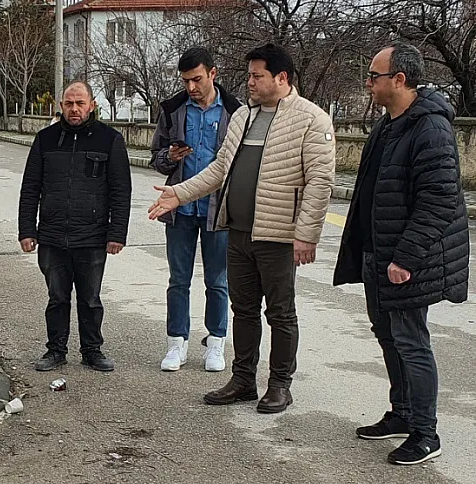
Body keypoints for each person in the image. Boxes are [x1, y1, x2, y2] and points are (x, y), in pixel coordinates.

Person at [148, 43, 335, 414]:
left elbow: (320, 182)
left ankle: (280, 384)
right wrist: (178, 195)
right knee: (244, 310)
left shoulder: (311, 120)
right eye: (249, 74)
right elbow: (219, 170)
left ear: (281, 78)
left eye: (256, 75)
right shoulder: (244, 117)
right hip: (237, 232)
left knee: (280, 313)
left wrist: (306, 234)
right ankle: (243, 379)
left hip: (278, 236)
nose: (249, 81)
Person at [333, 43, 470, 465]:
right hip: (379, 253)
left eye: (374, 76)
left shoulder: (430, 128)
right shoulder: (390, 125)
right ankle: (402, 413)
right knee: (388, 336)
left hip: (410, 261)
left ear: (400, 79)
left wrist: (406, 258)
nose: (368, 84)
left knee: (412, 341)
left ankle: (426, 433)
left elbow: (439, 199)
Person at [18, 81, 132, 372]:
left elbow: (121, 190)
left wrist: (116, 233)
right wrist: (27, 229)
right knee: (57, 298)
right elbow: (30, 187)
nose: (74, 109)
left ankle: (92, 350)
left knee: (90, 299)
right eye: (69, 103)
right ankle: (55, 350)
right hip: (53, 235)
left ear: (92, 105)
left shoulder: (110, 140)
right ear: (61, 105)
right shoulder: (45, 139)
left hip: (93, 236)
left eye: (80, 103)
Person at [150, 47, 242, 373]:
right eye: (186, 80)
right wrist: (169, 158)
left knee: (218, 281)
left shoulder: (236, 111)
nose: (191, 87)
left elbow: (242, 163)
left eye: (197, 79)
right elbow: (156, 156)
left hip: (219, 210)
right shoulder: (173, 109)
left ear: (213, 74)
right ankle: (176, 343)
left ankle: (216, 344)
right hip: (180, 210)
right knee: (178, 280)